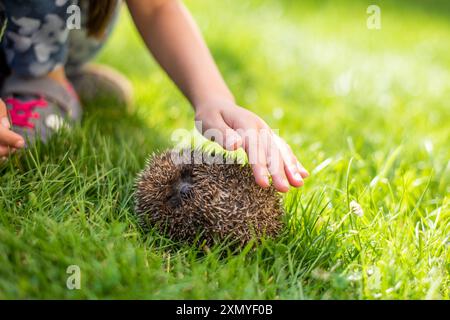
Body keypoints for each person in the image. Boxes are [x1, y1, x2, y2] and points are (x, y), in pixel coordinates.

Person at [0, 0, 309, 192]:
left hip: (47, 42)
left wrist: (215, 98)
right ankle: (37, 79)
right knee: (25, 141)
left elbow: (157, 6)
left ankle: (58, 73)